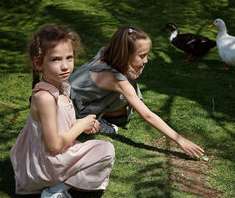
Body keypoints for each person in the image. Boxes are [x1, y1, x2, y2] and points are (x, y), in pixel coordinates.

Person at [9, 25, 115, 198]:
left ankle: (56, 183)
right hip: (44, 163)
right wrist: (80, 125)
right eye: (56, 59)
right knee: (105, 151)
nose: (65, 66)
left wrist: (81, 126)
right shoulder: (44, 97)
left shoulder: (63, 86)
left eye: (69, 57)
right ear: (38, 63)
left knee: (100, 148)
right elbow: (53, 145)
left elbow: (60, 124)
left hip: (52, 157)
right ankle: (53, 192)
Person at [70, 26, 204, 159]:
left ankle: (100, 118)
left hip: (70, 98)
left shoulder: (106, 53)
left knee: (128, 88)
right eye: (142, 56)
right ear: (126, 55)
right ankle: (97, 122)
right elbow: (147, 115)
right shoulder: (115, 79)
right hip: (72, 110)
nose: (146, 60)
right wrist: (180, 140)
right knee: (128, 93)